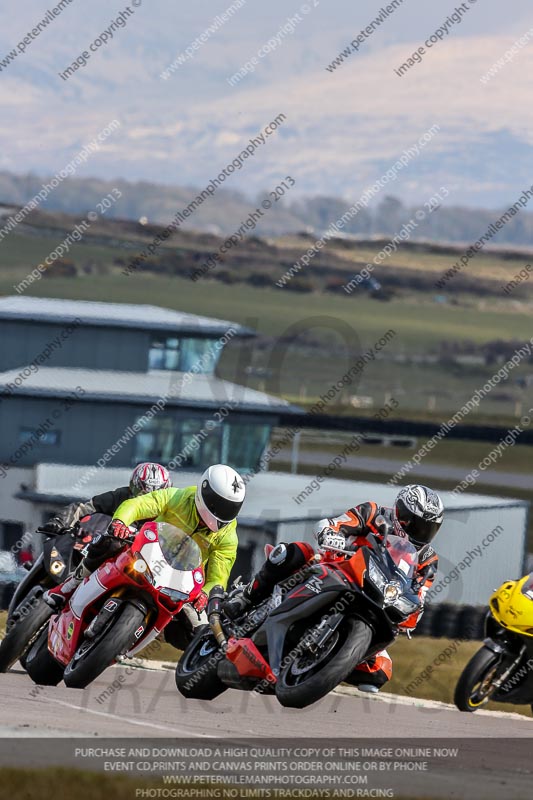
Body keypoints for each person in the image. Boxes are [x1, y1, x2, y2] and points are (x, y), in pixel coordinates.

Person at [224, 484, 444, 693]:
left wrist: (412, 611)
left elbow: (419, 594)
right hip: (336, 567)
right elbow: (332, 524)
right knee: (292, 552)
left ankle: (317, 668)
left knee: (380, 672)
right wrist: (332, 534)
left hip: (375, 599)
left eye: (429, 529)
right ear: (401, 515)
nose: (422, 533)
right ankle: (245, 598)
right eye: (418, 525)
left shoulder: (428, 560)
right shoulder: (373, 513)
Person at [45, 463, 246, 647]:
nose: (222, 511)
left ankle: (187, 667)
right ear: (205, 491)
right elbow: (138, 505)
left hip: (181, 580)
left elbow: (218, 578)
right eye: (218, 503)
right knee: (110, 542)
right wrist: (120, 523)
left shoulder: (228, 538)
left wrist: (204, 593)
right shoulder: (178, 497)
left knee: (202, 632)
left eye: (229, 507)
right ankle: (68, 586)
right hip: (146, 553)